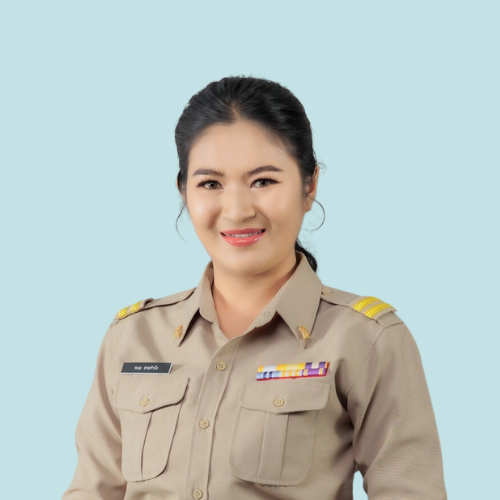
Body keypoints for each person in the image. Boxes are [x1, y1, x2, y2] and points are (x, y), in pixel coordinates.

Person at [62, 75, 448, 500]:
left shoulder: (367, 339)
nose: (237, 210)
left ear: (309, 185)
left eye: (263, 181)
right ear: (184, 192)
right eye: (210, 183)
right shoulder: (132, 337)